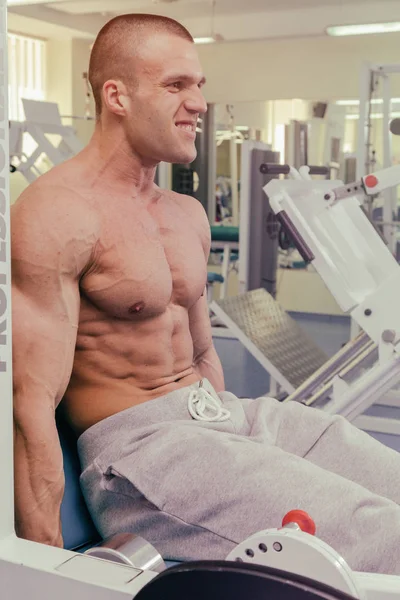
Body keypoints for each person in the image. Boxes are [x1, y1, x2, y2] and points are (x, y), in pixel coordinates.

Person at [11, 13, 400, 576]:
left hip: (226, 419)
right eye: (176, 85)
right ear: (116, 95)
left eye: (198, 86)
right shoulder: (56, 213)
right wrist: (37, 575)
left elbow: (201, 355)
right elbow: (31, 405)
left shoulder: (184, 214)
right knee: (381, 537)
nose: (197, 103)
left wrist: (238, 441)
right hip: (143, 453)